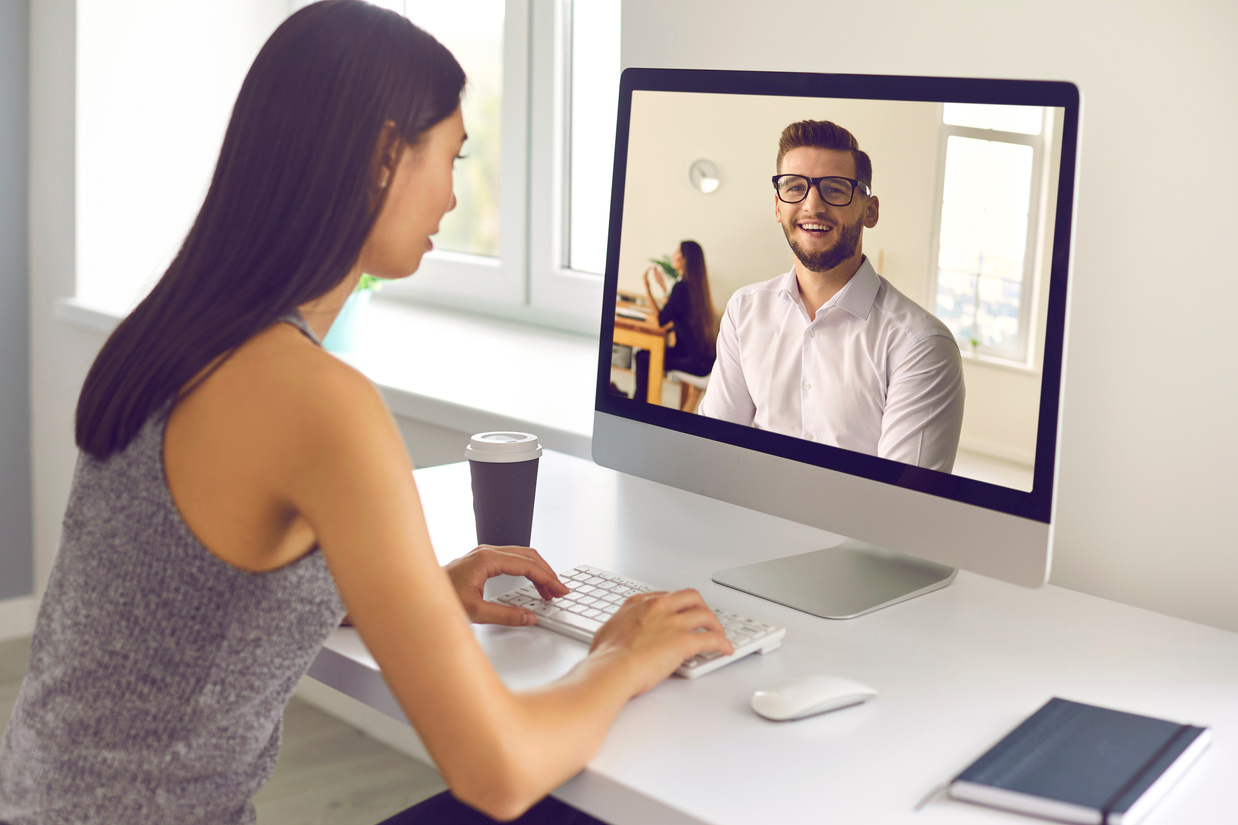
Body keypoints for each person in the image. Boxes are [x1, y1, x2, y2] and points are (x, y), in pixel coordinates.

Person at [0, 3, 732, 824]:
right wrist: (622, 656)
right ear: (386, 155)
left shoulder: (170, 335)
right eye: (451, 159)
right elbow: (499, 771)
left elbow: (190, 595)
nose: (455, 198)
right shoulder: (316, 399)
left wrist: (417, 590)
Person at [698, 119, 965, 472]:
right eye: (794, 187)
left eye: (835, 189)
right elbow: (711, 450)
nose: (812, 205)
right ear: (778, 207)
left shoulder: (921, 346)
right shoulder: (744, 311)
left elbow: (903, 510)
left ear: (870, 211)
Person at [633, 241, 716, 407]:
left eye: (678, 252)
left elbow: (661, 319)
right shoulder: (694, 287)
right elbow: (675, 314)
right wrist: (664, 289)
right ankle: (640, 405)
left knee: (643, 358)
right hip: (703, 360)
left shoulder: (682, 287)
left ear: (686, 259)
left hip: (694, 362)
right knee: (644, 356)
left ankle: (639, 407)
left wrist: (647, 286)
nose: (673, 255)